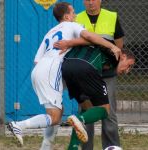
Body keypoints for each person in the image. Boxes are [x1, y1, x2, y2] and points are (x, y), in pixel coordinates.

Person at [7, 2, 121, 147]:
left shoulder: (50, 32)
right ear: (67, 16)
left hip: (39, 70)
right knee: (54, 117)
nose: (75, 15)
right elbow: (90, 37)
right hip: (51, 71)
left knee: (58, 112)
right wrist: (111, 46)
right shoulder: (71, 25)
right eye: (72, 12)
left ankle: (45, 147)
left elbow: (37, 60)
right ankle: (19, 125)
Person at [70, 0, 124, 149]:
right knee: (86, 111)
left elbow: (118, 45)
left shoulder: (112, 16)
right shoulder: (77, 18)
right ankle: (86, 147)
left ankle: (111, 147)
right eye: (87, 0)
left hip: (107, 73)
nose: (90, 2)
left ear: (100, 0)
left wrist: (110, 61)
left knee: (109, 113)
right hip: (85, 74)